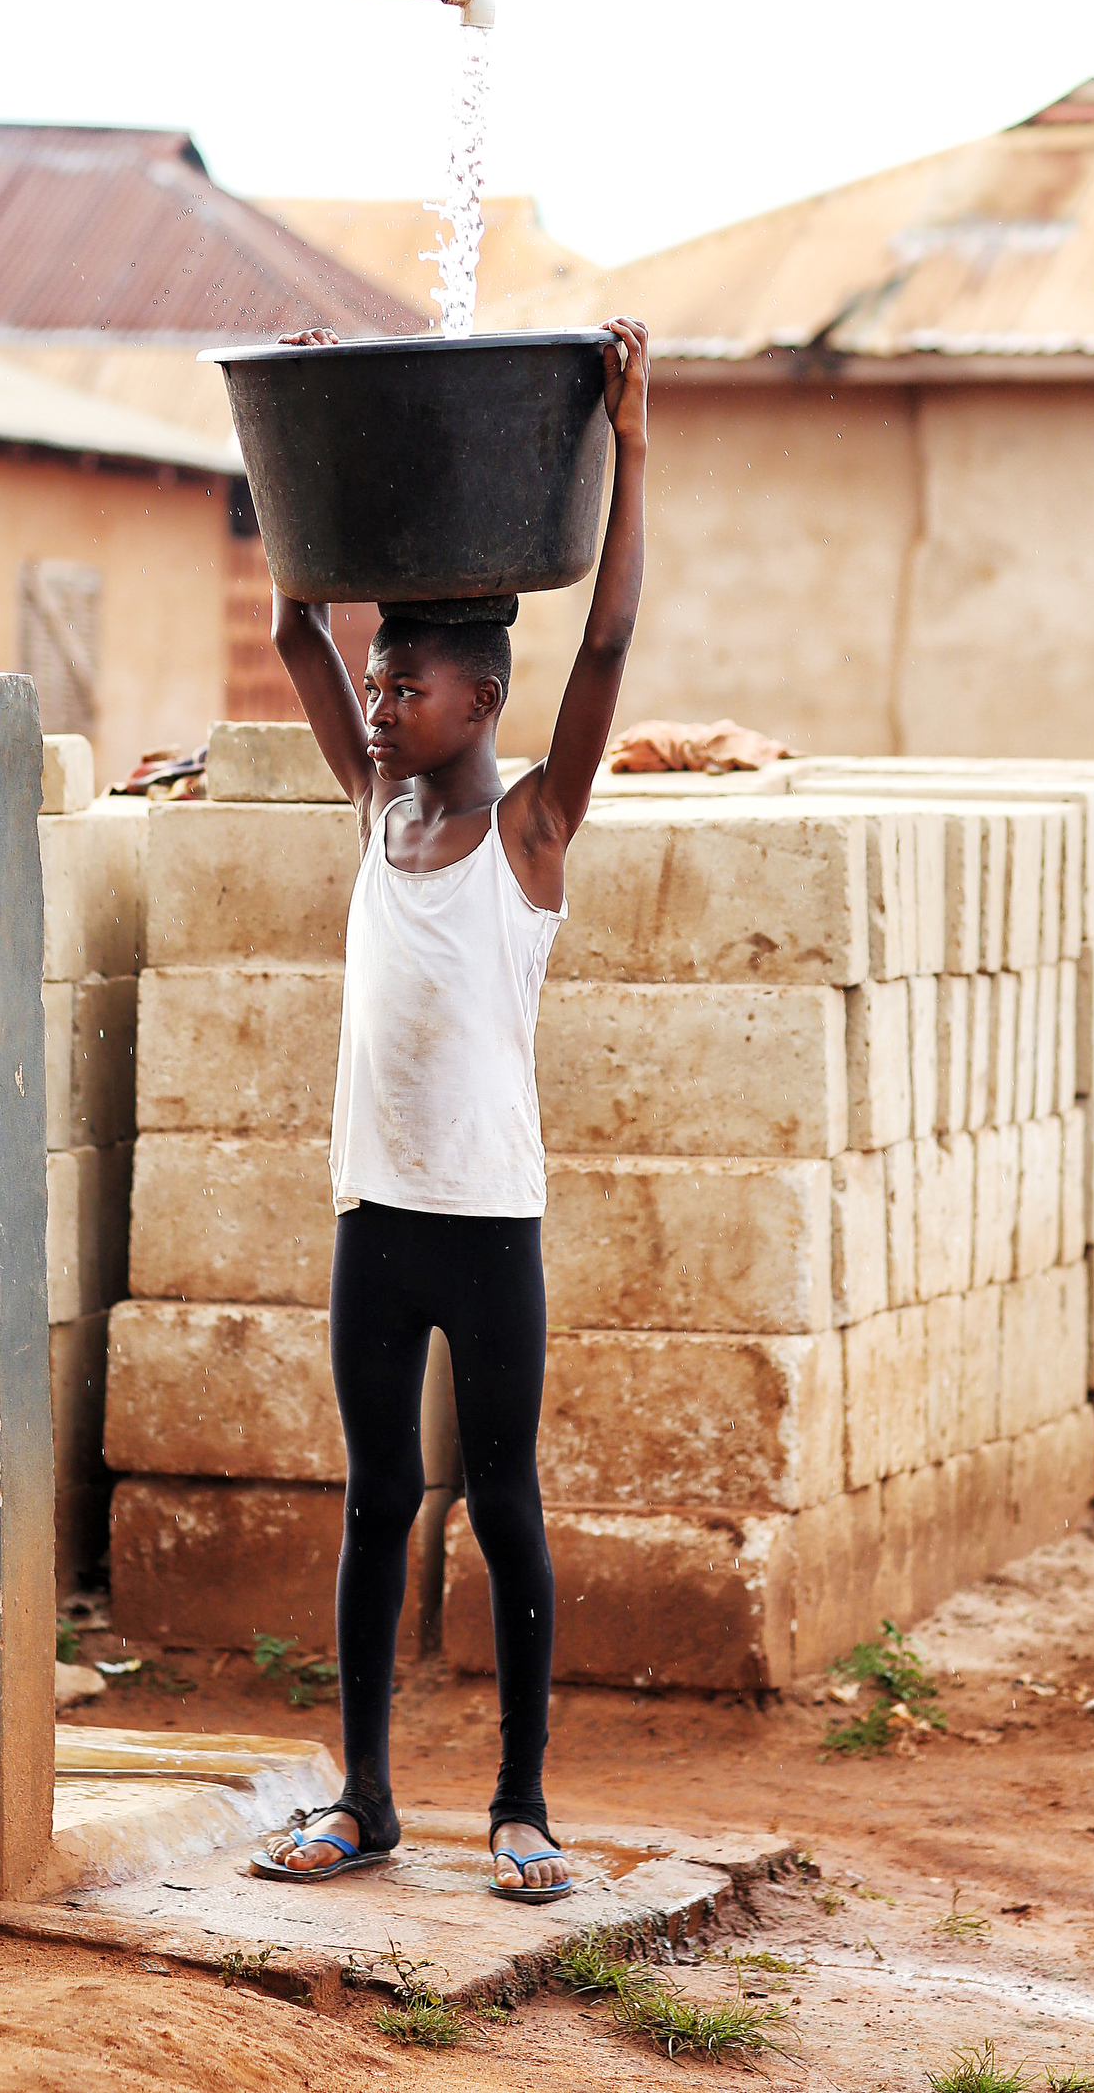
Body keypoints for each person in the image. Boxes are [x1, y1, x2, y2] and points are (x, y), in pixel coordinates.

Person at [251, 316, 650, 1905]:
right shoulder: (377, 806)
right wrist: (298, 437)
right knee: (373, 1506)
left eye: (404, 681)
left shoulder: (533, 832)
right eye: (375, 676)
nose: (374, 697)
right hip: (376, 1220)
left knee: (503, 1503)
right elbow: (297, 617)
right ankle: (363, 1800)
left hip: (487, 1231)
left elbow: (609, 647)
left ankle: (522, 1807)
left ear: (484, 695)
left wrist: (636, 437)